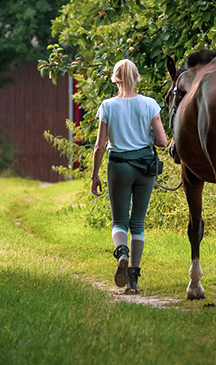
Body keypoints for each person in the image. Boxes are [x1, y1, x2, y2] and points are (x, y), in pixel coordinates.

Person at [90, 58, 168, 294]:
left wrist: (95, 176)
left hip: (119, 166)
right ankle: (133, 280)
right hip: (145, 167)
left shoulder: (107, 106)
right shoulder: (150, 104)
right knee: (138, 223)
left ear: (115, 79)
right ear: (136, 78)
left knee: (119, 222)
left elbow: (99, 146)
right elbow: (163, 141)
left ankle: (121, 252)